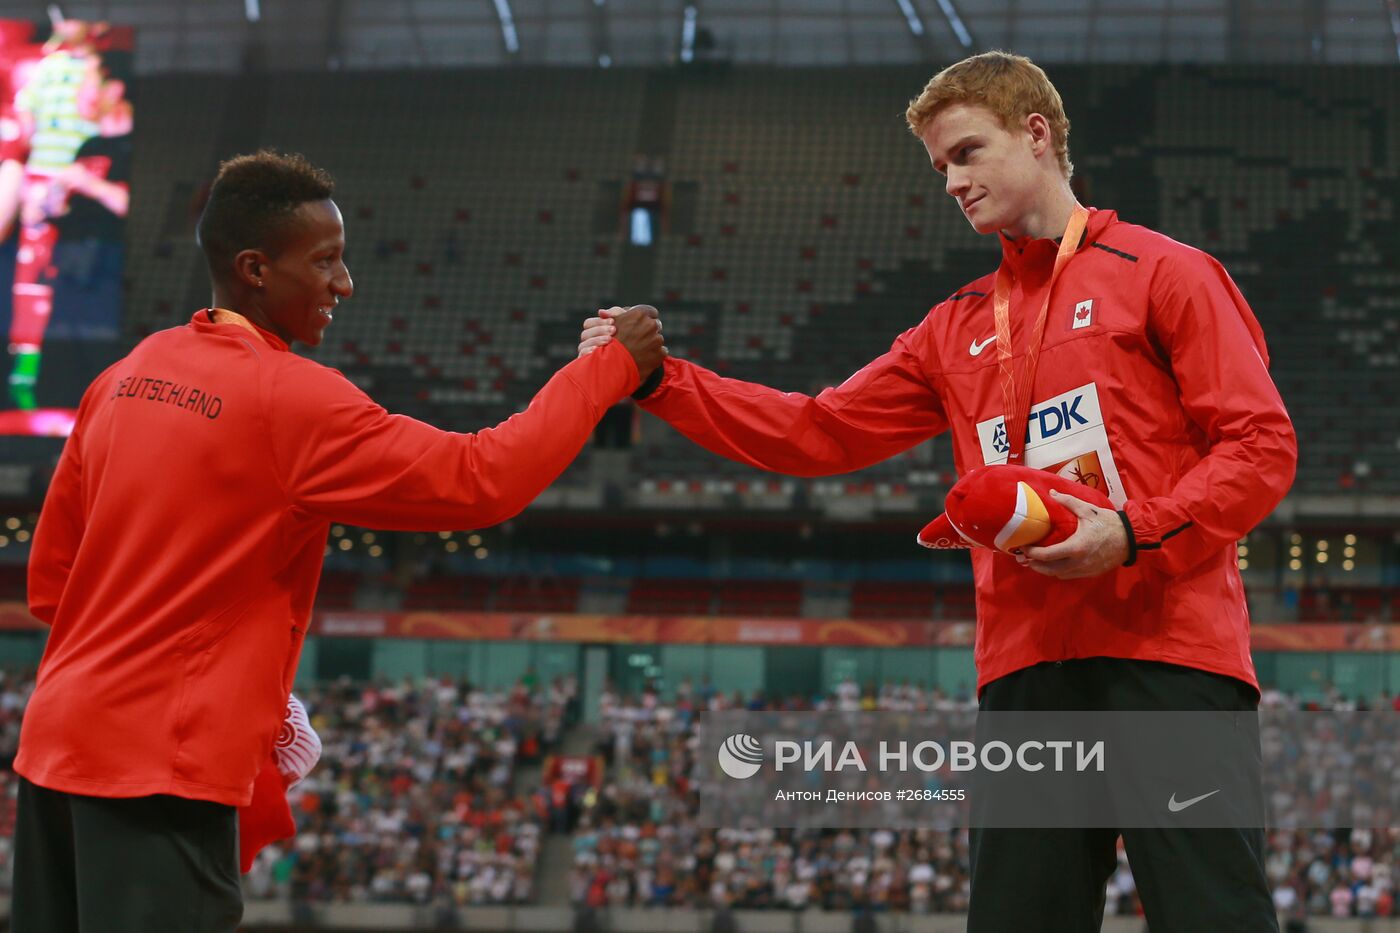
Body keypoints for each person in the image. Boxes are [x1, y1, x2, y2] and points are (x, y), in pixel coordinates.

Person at [579, 51, 1296, 932]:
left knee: (1213, 917)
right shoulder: (952, 328)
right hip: (1027, 671)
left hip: (1171, 658)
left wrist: (1133, 531)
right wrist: (662, 382)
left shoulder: (1166, 273)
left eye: (965, 153)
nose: (951, 182)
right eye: (939, 168)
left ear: (1037, 133)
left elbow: (1261, 446)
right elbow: (820, 429)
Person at [13, 149, 665, 932]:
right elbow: (482, 477)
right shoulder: (293, 401)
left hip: (53, 752)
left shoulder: (122, 375)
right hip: (159, 772)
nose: (344, 282)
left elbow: (52, 585)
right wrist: (606, 372)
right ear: (255, 268)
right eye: (324, 260)